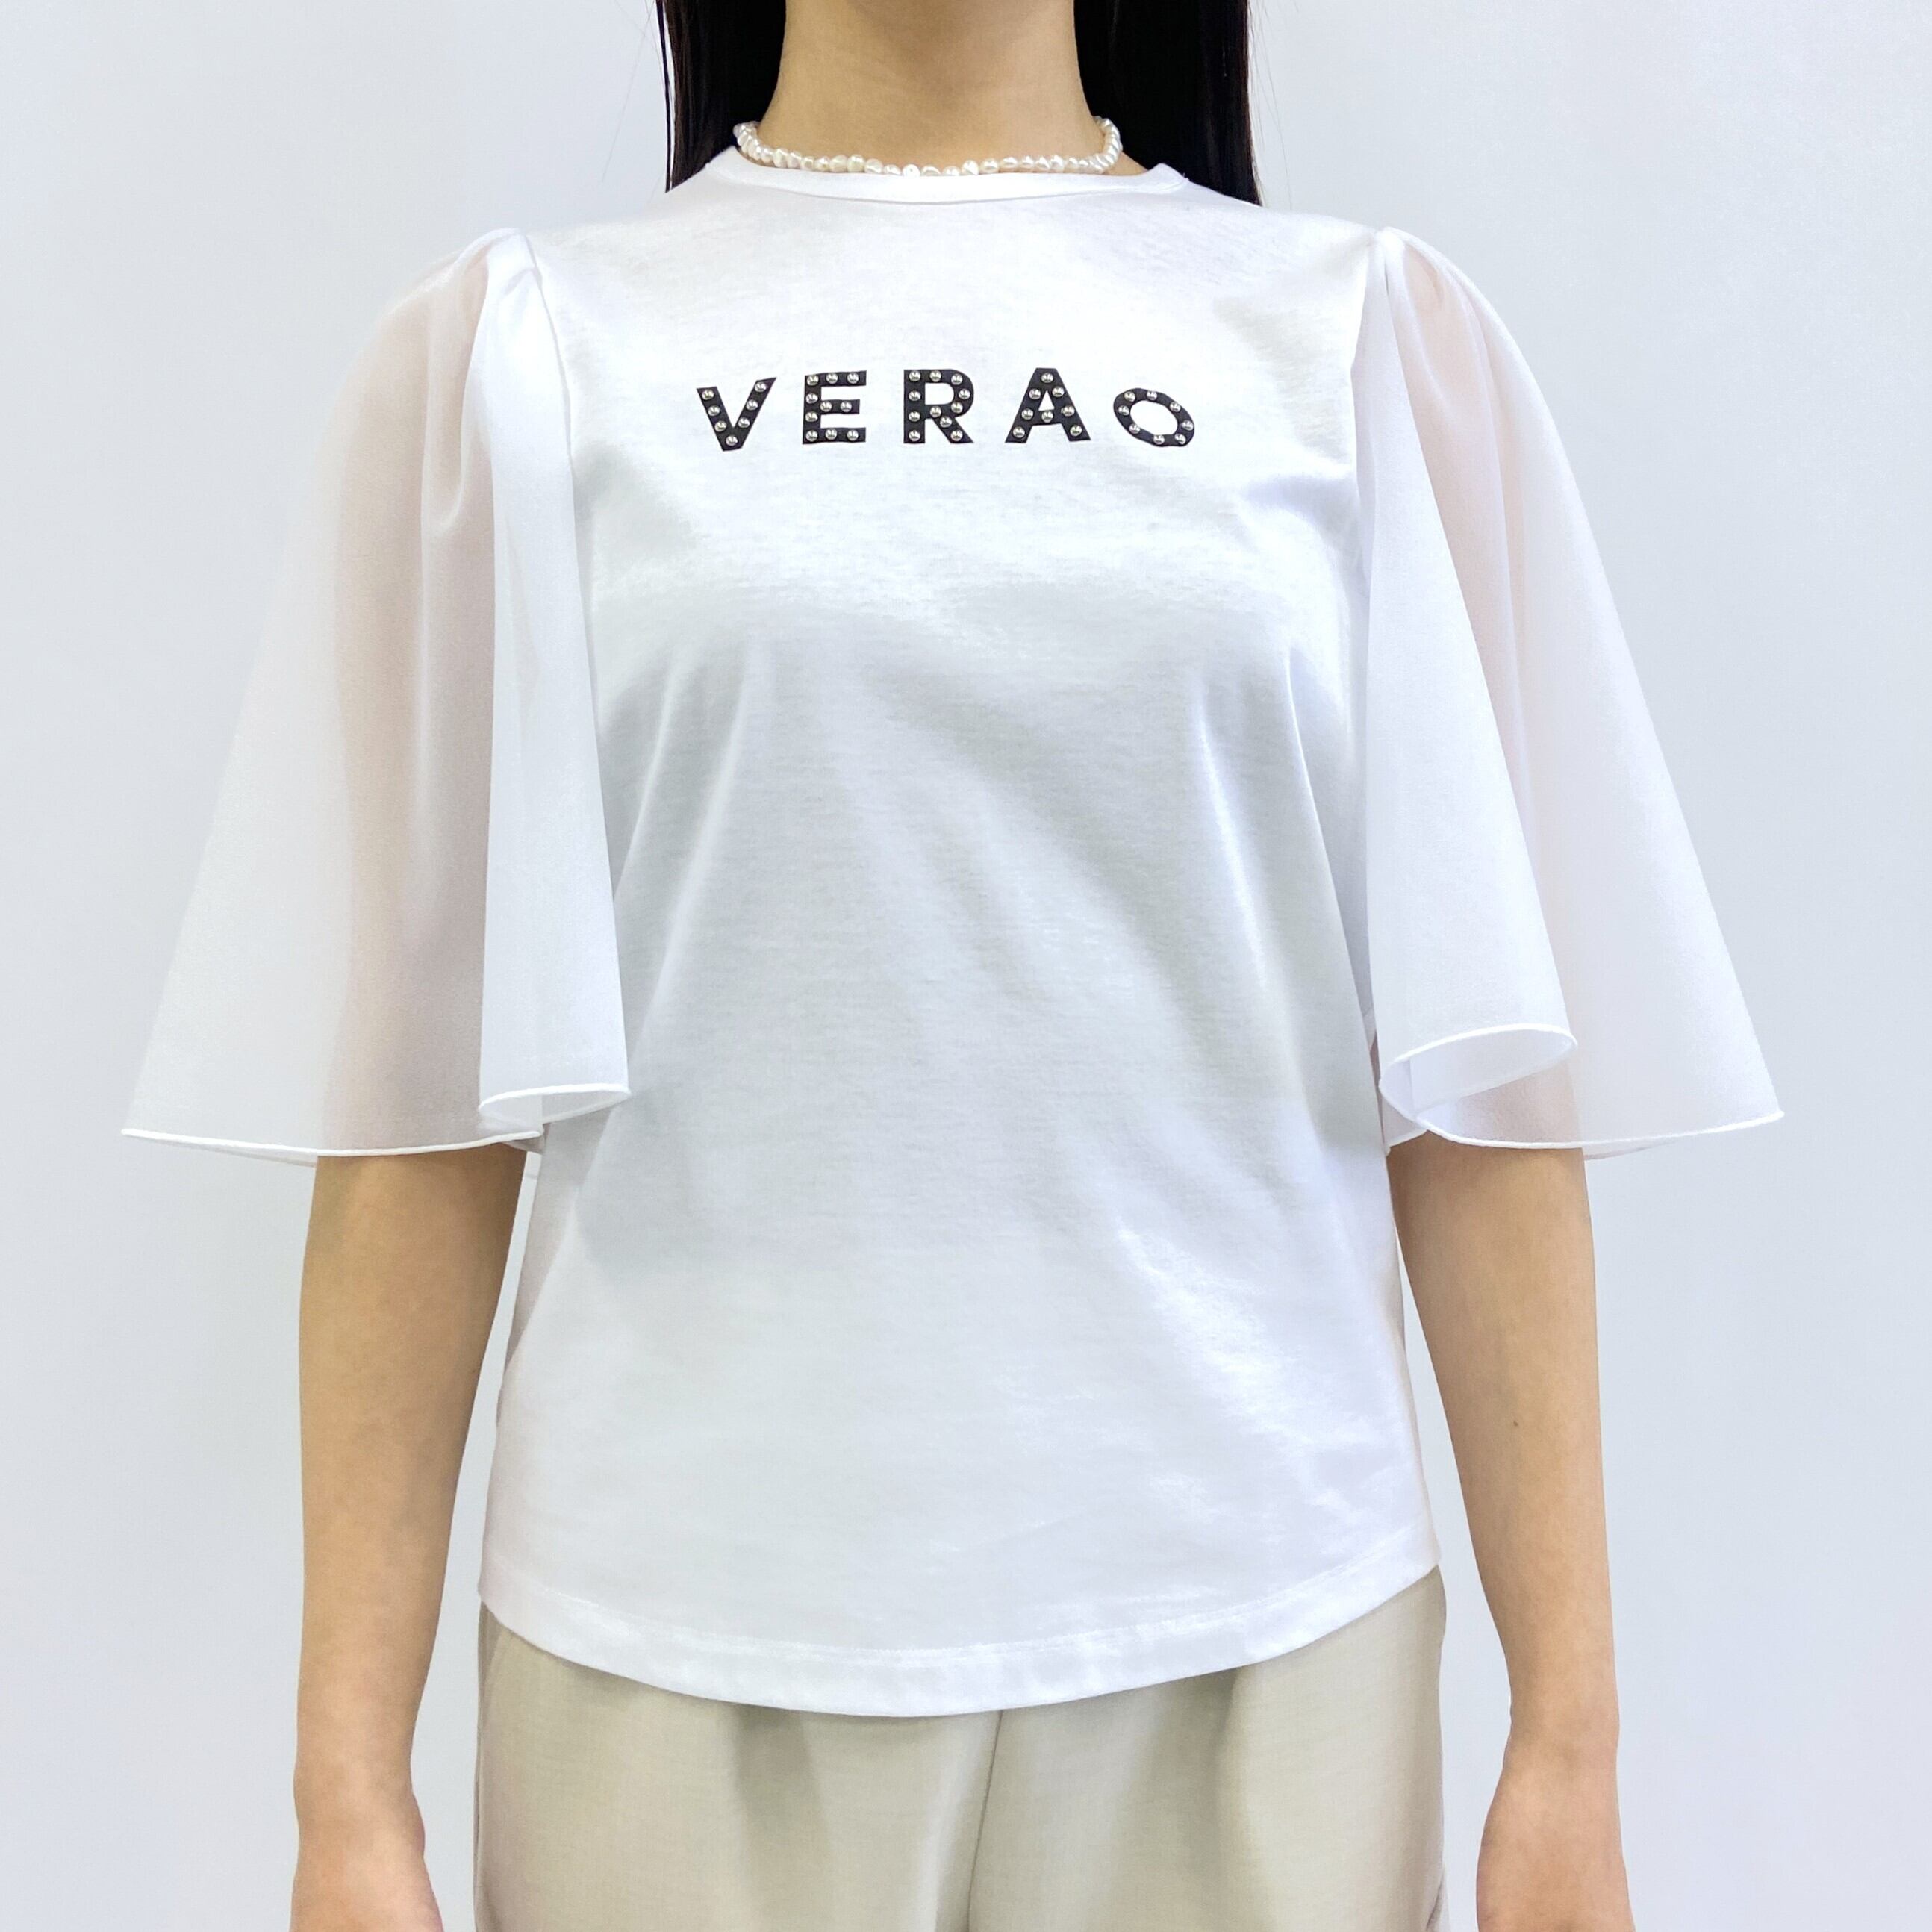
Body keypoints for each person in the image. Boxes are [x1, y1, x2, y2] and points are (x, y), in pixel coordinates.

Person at [126, 1, 1781, 1927]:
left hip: (1263, 1637)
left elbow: (1480, 1094)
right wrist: (347, 1792)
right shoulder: (527, 353)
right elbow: (413, 1123)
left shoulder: (1359, 340)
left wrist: (1570, 1747)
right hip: (674, 1643)